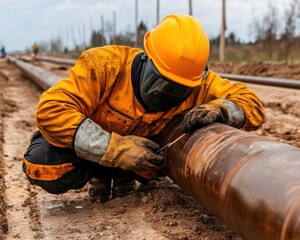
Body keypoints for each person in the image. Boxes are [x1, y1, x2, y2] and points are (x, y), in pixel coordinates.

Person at [23, 14, 265, 203]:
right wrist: (115, 150)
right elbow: (50, 110)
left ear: (197, 79)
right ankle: (101, 171)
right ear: (147, 58)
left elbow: (252, 103)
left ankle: (125, 174)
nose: (166, 94)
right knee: (43, 164)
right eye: (161, 83)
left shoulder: (201, 82)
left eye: (180, 90)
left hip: (145, 156)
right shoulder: (104, 67)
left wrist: (222, 108)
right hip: (94, 152)